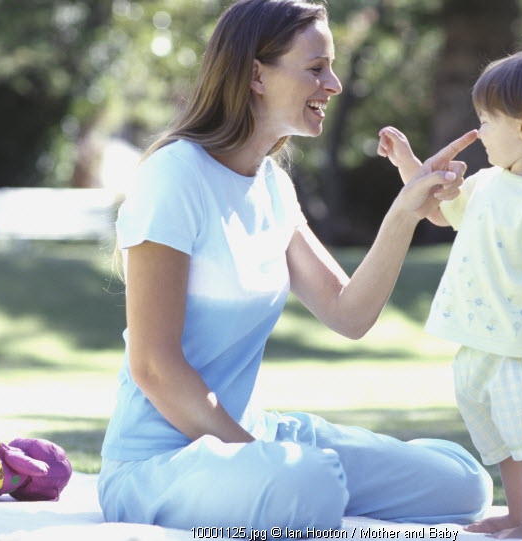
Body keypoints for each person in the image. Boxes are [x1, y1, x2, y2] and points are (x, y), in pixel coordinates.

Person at [97, 0, 492, 533]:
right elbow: (153, 367)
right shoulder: (173, 177)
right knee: (308, 485)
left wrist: (404, 214)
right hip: (157, 464)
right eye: (315, 68)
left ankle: (306, 480)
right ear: (256, 75)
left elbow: (348, 314)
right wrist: (255, 457)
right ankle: (303, 481)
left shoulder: (272, 186)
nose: (333, 84)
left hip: (260, 440)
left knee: (464, 483)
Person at [378, 40, 522, 540]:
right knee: (503, 442)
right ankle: (517, 517)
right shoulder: (488, 183)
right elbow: (435, 210)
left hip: (519, 350)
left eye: (487, 120)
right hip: (477, 342)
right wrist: (408, 165)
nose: (478, 132)